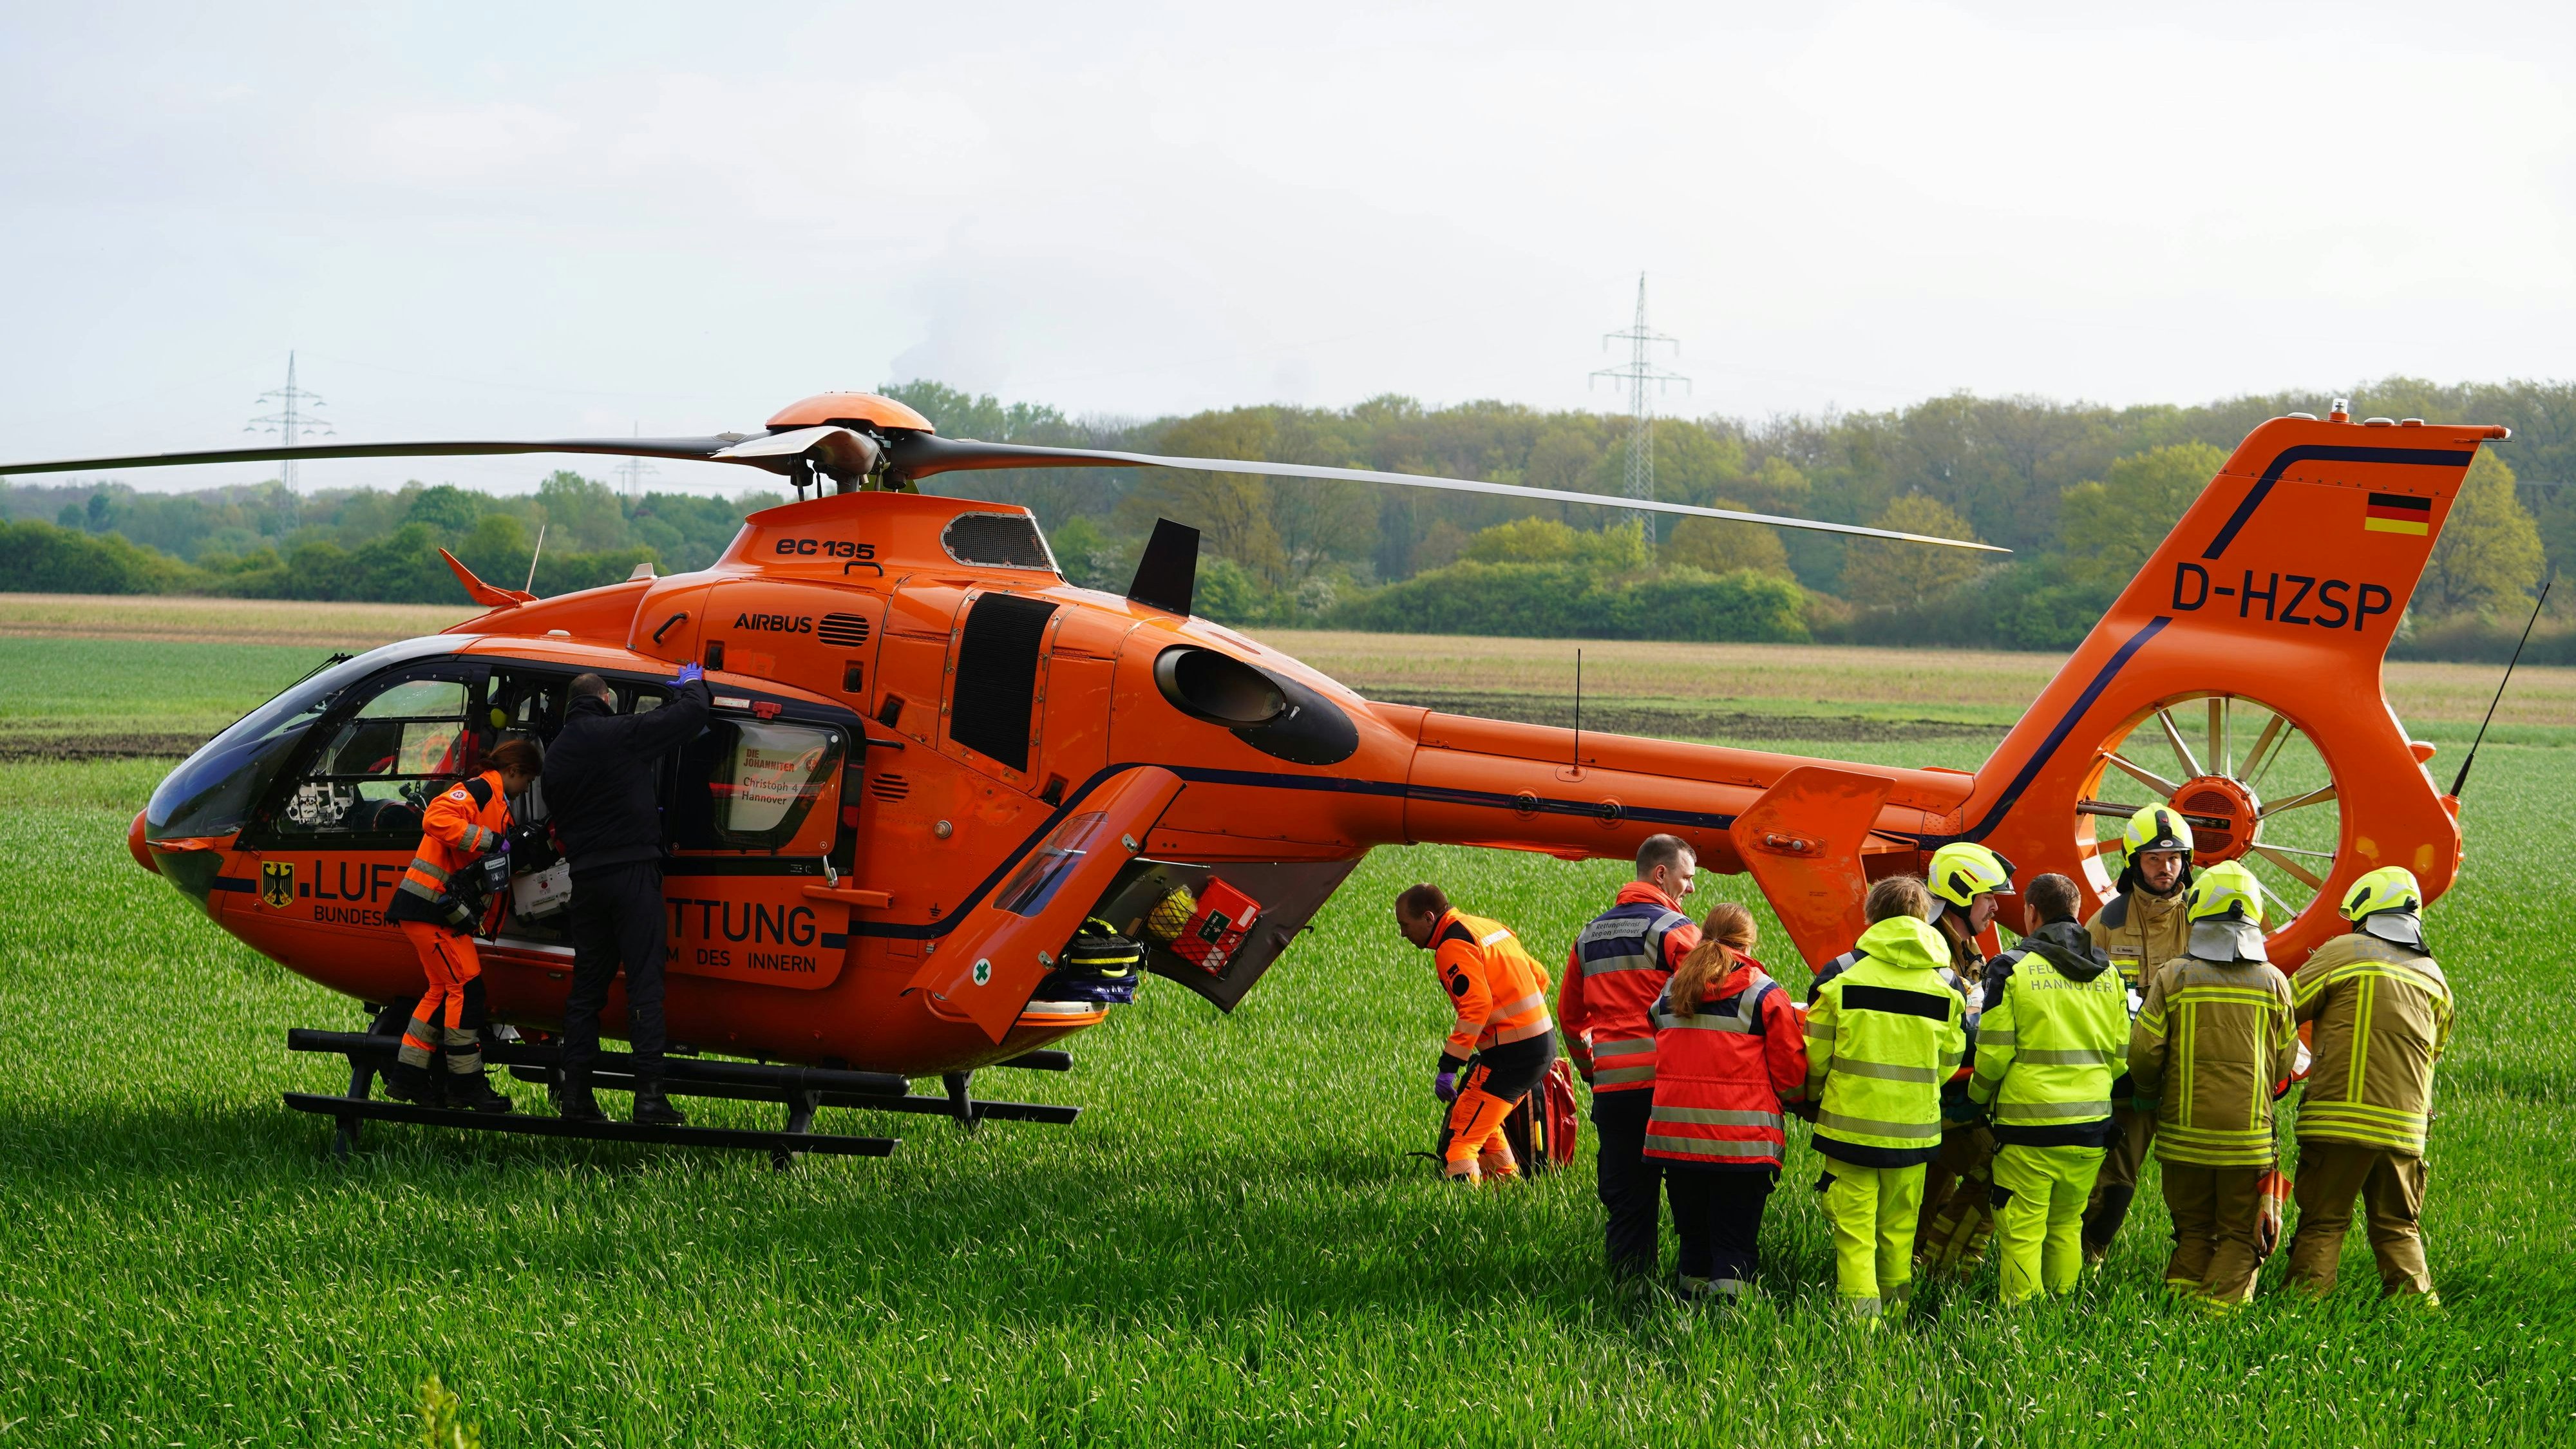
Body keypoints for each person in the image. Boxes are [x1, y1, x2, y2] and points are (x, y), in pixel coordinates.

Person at [545, 665, 712, 1126]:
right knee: (644, 984)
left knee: (586, 990)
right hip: (633, 874)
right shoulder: (617, 733)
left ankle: (576, 1098)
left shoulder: (555, 754)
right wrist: (692, 684)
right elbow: (692, 714)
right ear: (605, 700)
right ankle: (649, 1098)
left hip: (585, 880)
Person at [2126, 859, 2297, 1309]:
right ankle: (2213, 1319)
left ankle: (2178, 1309)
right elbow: (2285, 1061)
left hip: (2182, 1138)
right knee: (2241, 1235)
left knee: (2194, 1230)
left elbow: (2144, 1054)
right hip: (2248, 1141)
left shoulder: (2174, 976)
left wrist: (2148, 1094)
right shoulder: (2274, 983)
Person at [2284, 866, 2454, 1304]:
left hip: (2339, 1119)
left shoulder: (2343, 951)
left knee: (2324, 1221)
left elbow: (2283, 1008)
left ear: (2365, 914)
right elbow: (2434, 1052)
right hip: (2406, 1129)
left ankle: (2303, 1309)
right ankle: (2417, 1314)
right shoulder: (2434, 976)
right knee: (2399, 1226)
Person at [1803, 875, 1966, 1321]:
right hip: (1913, 1133)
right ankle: (1896, 1318)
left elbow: (1816, 1055)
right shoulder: (1948, 983)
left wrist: (1813, 1097)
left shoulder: (1841, 973)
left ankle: (1860, 1329)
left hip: (1849, 1130)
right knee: (1898, 1231)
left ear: (1871, 915)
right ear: (1924, 916)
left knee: (1855, 1233)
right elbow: (1950, 1060)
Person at [1965, 872, 2128, 1305]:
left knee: (2022, 1229)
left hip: (2029, 1129)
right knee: (2066, 1225)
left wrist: (1977, 1098)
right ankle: (2060, 1317)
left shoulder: (2011, 967)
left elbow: (1994, 1053)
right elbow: (2120, 1056)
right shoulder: (2109, 972)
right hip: (2091, 1129)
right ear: (2076, 912)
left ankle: (2021, 1323)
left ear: (2032, 913)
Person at [1643, 902, 1804, 1305]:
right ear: (1748, 944)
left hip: (1676, 1140)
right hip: (1741, 1144)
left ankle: (1687, 1314)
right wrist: (1801, 1102)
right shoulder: (1763, 993)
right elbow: (1790, 1074)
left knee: (1694, 1239)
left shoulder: (1672, 989)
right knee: (1734, 1243)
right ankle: (1728, 1323)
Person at [1560, 833, 1702, 1280]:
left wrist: (1592, 1071)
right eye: (1687, 877)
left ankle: (1628, 1291)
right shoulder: (1677, 931)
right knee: (1690, 1196)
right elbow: (1713, 1000)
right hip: (1669, 1090)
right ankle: (1692, 1290)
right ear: (1661, 874)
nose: (1691, 887)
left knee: (1626, 1201)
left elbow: (1571, 1018)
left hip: (1614, 1091)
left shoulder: (1589, 935)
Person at [383, 737, 544, 1112]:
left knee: (442, 992)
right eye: (528, 781)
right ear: (514, 771)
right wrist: (492, 842)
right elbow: (435, 819)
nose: (526, 790)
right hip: (431, 910)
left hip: (434, 912)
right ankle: (466, 1084)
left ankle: (407, 1078)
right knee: (467, 991)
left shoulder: (498, 805)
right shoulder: (480, 790)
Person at [2081, 805, 2197, 1265]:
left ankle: (2196, 1265)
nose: (2165, 868)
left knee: (2198, 1173)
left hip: (2190, 1073)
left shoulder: (2203, 917)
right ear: (2134, 862)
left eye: (2174, 858)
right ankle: (2089, 1257)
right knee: (2115, 1176)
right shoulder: (2106, 923)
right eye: (2153, 859)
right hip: (2128, 1079)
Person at [1396, 883, 1558, 1184]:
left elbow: (1477, 1006)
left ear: (1429, 918)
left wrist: (1449, 1066)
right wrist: (1525, 1021)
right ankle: (1505, 1184)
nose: (1403, 934)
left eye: (1405, 925)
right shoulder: (1487, 927)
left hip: (1513, 1056)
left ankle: (1463, 1205)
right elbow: (1540, 976)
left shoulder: (1452, 946)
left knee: (1461, 1142)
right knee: (1475, 1119)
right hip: (1540, 1045)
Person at [1910, 841, 2016, 1266]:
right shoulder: (1931, 948)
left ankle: (1920, 1256)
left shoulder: (1964, 944)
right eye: (1989, 897)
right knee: (1995, 1169)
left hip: (1948, 1092)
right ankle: (1945, 1266)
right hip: (1932, 1095)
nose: (1996, 908)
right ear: (1962, 893)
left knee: (1934, 1182)